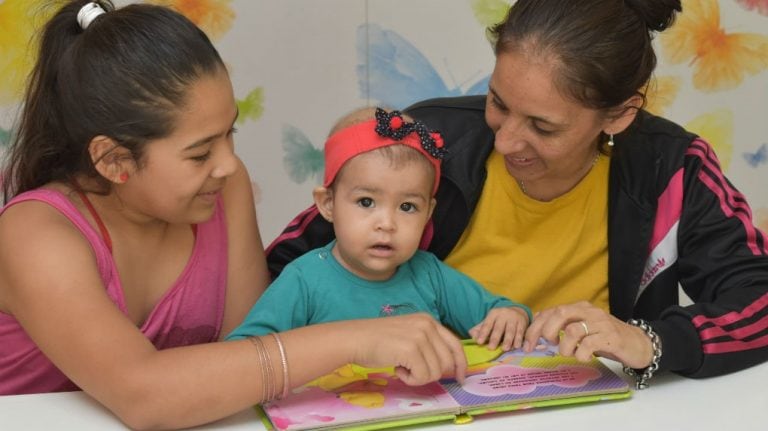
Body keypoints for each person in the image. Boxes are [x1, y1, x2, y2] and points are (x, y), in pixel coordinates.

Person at [0, 1, 468, 429]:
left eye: (230, 133)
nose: (227, 164)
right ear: (114, 160)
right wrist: (355, 340)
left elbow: (247, 353)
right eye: (200, 152)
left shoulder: (225, 188)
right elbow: (145, 396)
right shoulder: (35, 236)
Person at [266, 0, 768, 389]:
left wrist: (646, 340)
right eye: (497, 103)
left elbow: (758, 298)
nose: (504, 141)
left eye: (543, 127)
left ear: (618, 114)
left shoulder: (671, 167)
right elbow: (279, 271)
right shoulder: (426, 142)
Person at [228, 107, 532, 351]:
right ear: (328, 204)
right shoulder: (303, 280)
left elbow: (497, 313)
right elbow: (245, 354)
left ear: (429, 213)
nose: (387, 224)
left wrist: (511, 315)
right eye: (366, 202)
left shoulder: (430, 274)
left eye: (407, 207)